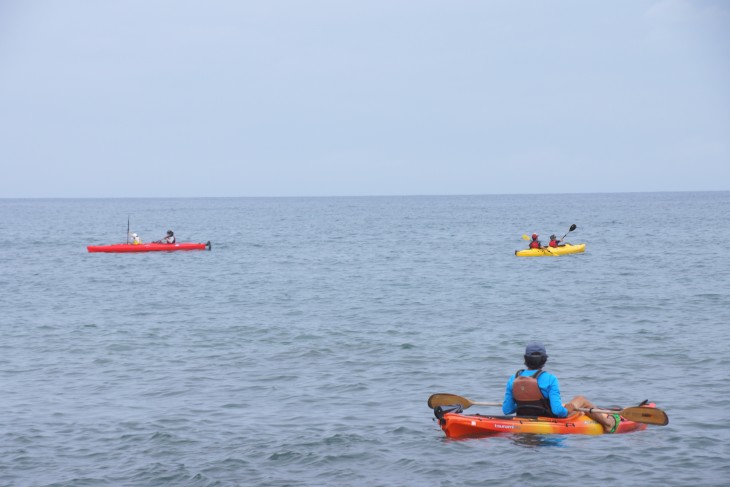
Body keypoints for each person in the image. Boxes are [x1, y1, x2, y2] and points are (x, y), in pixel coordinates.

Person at [502, 343, 620, 433]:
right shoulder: (550, 379)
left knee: (564, 404)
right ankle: (608, 424)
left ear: (525, 359)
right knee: (580, 399)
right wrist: (569, 409)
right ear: (544, 360)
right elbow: (558, 411)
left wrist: (526, 403)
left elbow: (507, 410)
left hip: (524, 417)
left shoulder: (513, 378)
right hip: (549, 418)